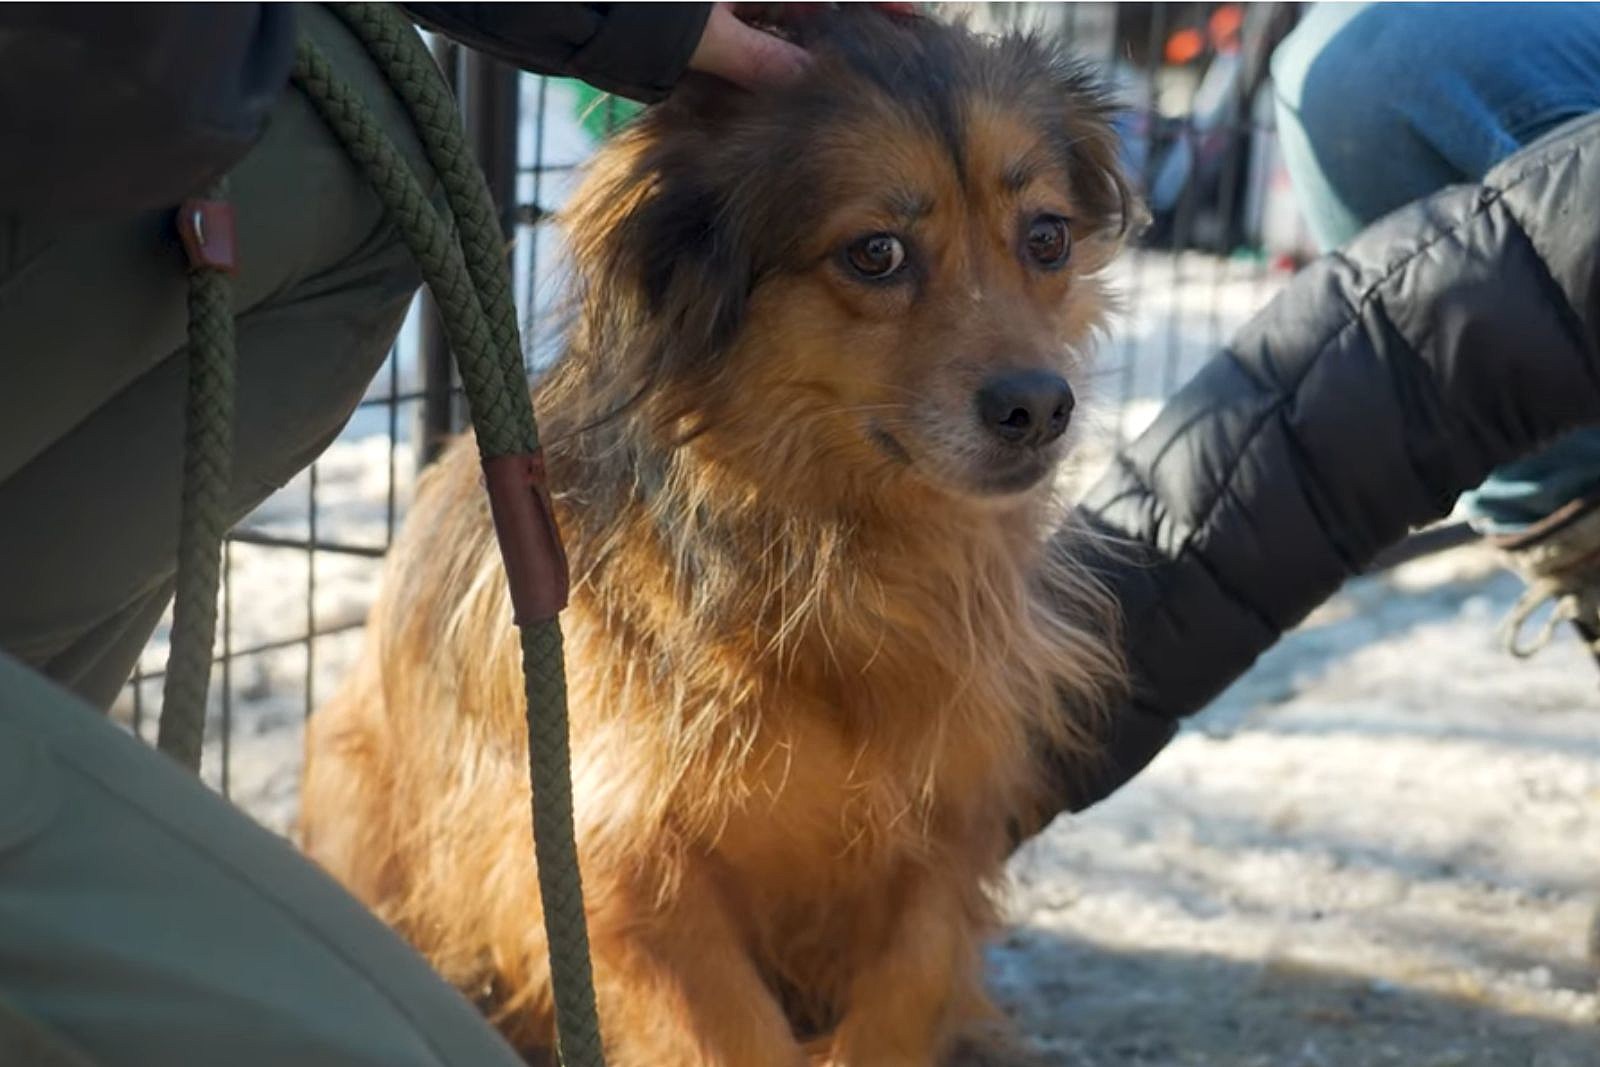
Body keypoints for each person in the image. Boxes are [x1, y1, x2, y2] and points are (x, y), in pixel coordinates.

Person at [0, 5, 867, 1064]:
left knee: (347, 111)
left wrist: (650, 19)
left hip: (188, 93)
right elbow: (624, 884)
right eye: (876, 256)